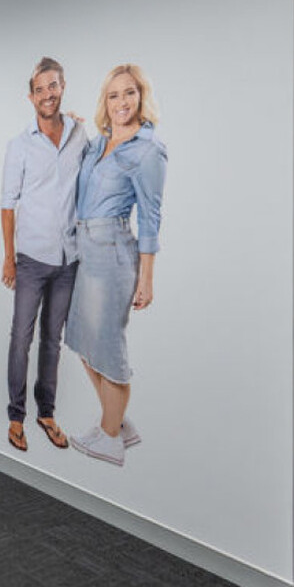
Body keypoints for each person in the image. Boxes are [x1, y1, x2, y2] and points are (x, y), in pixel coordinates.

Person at [66, 63, 167, 466]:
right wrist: (74, 128)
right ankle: (118, 422)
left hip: (113, 251)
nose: (122, 102)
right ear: (104, 102)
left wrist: (147, 279)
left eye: (129, 93)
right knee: (82, 341)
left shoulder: (148, 150)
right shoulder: (99, 143)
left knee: (107, 347)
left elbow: (151, 218)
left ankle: (110, 436)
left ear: (141, 97)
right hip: (84, 249)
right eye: (113, 95)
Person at [0, 57, 87, 452]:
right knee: (21, 338)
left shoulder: (79, 135)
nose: (47, 94)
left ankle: (46, 413)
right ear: (31, 97)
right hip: (32, 259)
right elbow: (7, 205)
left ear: (62, 87)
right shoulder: (19, 146)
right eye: (40, 89)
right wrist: (9, 258)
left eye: (53, 86)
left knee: (53, 340)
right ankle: (15, 416)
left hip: (69, 259)